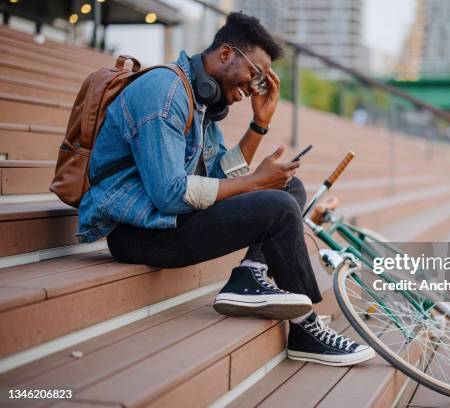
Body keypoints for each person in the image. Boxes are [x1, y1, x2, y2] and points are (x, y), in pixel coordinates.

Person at [77, 12, 374, 366]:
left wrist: (259, 125)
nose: (253, 88)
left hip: (167, 222)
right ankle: (305, 328)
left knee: (288, 187)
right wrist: (254, 182)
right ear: (226, 54)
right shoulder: (165, 91)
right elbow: (170, 194)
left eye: (262, 83)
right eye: (255, 75)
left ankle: (250, 274)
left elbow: (216, 175)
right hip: (137, 232)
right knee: (276, 205)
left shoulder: (200, 100)